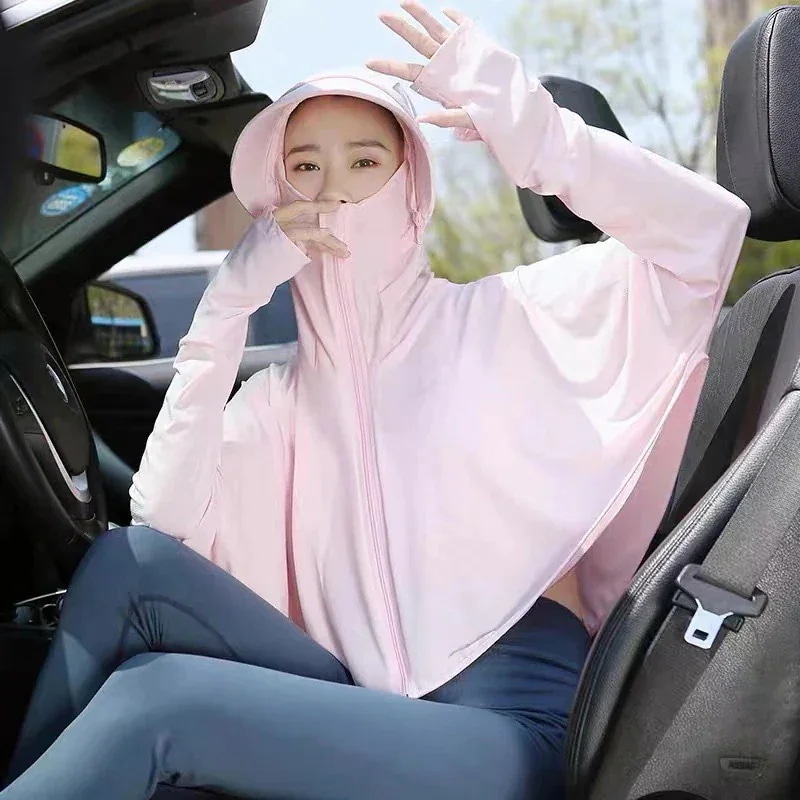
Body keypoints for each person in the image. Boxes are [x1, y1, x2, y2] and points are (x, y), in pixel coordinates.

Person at [1, 3, 750, 799]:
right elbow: (165, 521)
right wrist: (228, 304)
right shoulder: (277, 403)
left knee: (161, 701)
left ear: (410, 183)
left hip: (507, 733)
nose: (336, 193)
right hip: (368, 699)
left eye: (365, 163)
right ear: (273, 195)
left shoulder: (510, 319)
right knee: (128, 563)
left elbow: (708, 236)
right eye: (306, 167)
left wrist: (535, 132)